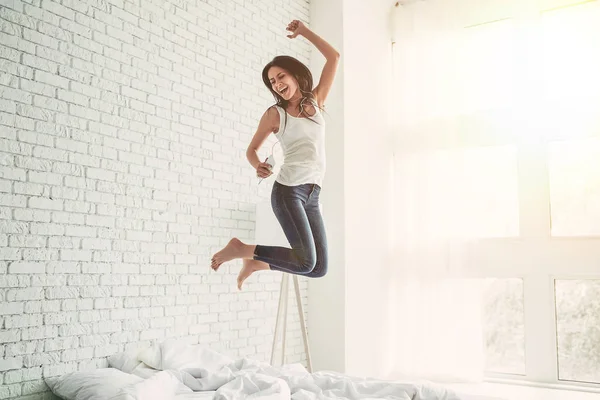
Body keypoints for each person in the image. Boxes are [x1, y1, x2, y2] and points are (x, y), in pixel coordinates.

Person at [211, 19, 339, 290]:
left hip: (313, 194)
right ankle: (243, 249)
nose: (277, 84)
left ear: (294, 75)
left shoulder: (316, 101)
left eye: (281, 76)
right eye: (272, 81)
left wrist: (304, 32)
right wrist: (259, 166)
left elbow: (333, 56)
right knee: (306, 263)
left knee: (319, 268)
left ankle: (256, 261)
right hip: (288, 191)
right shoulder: (275, 114)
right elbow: (252, 150)